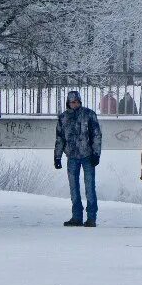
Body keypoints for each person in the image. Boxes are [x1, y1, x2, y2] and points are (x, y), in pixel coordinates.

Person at [54, 90, 103, 227]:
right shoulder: (63, 118)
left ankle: (91, 218)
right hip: (72, 156)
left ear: (80, 102)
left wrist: (96, 153)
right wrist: (57, 156)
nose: (74, 104)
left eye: (76, 102)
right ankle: (76, 217)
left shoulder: (89, 115)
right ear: (68, 103)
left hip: (87, 155)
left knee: (89, 187)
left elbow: (96, 135)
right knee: (74, 188)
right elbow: (60, 138)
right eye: (71, 102)